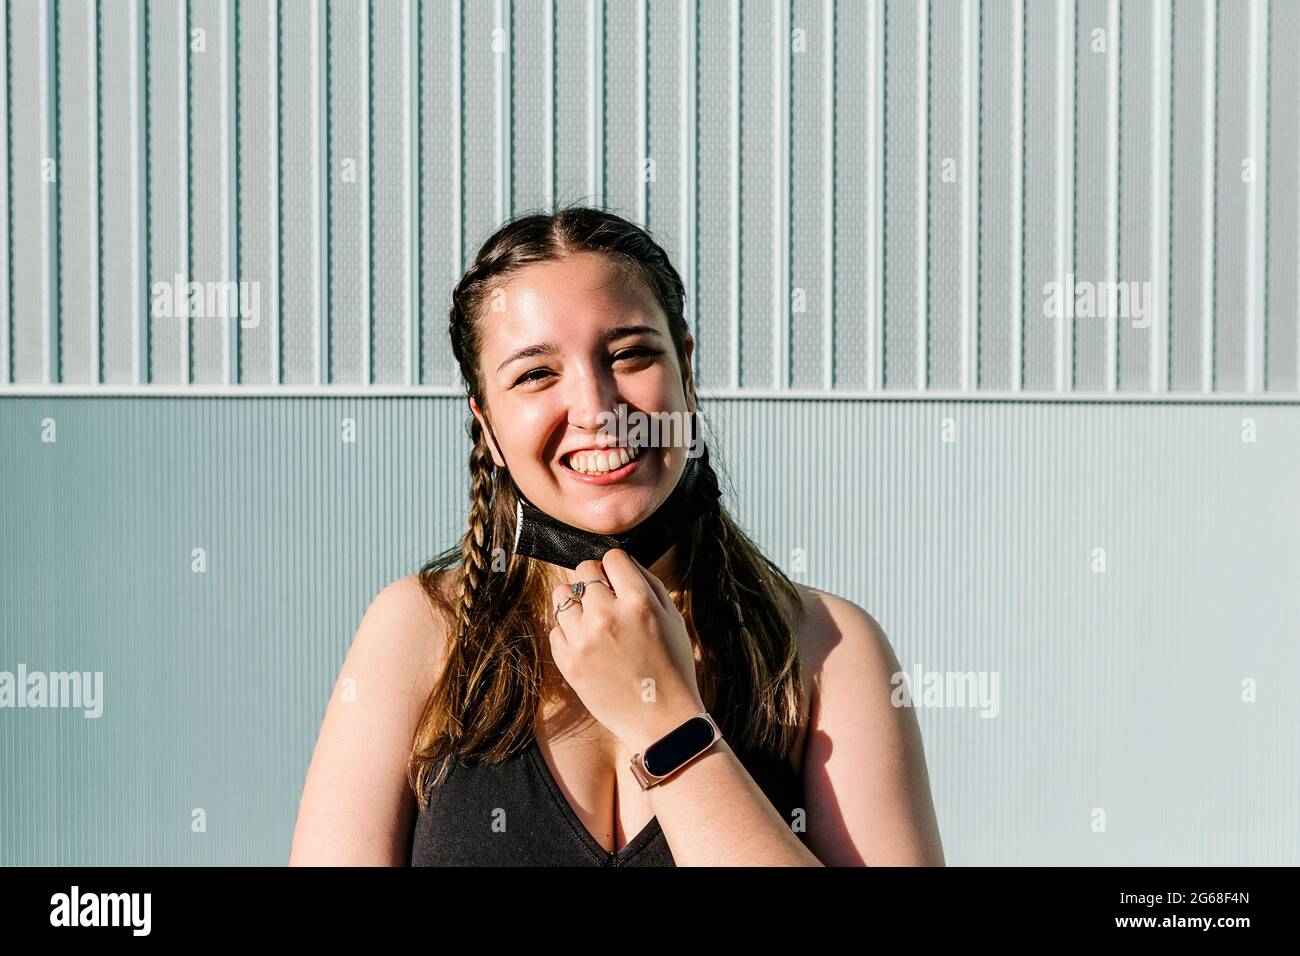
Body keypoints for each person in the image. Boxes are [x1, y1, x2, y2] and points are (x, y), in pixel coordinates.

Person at [289, 205, 945, 866]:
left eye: (630, 354)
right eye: (536, 374)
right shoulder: (419, 631)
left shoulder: (828, 650)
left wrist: (665, 723)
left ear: (686, 373)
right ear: (486, 424)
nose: (598, 410)